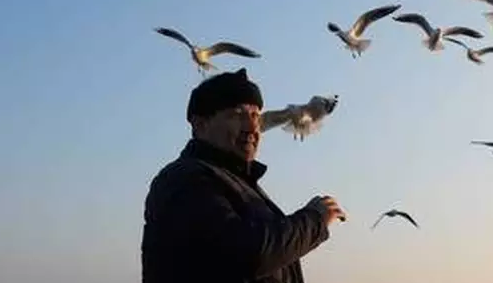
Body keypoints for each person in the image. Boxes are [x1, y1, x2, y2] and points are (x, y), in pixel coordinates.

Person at [141, 68, 345, 283]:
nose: (252, 127)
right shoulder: (184, 179)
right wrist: (314, 220)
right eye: (237, 115)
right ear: (200, 124)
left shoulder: (240, 184)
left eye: (256, 115)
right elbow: (246, 253)